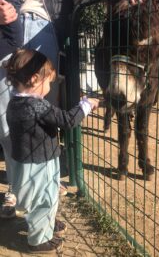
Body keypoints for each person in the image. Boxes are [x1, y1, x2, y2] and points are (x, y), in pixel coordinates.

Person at [0, 0, 147, 218]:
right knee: (8, 119)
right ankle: (17, 187)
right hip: (6, 32)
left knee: (42, 119)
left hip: (44, 34)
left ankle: (44, 182)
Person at [4, 48, 99, 254]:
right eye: (48, 82)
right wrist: (86, 104)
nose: (49, 87)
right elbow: (67, 120)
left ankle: (45, 224)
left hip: (26, 162)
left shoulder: (14, 102)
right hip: (40, 163)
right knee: (44, 199)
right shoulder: (36, 106)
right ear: (34, 79)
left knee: (41, 197)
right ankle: (39, 240)